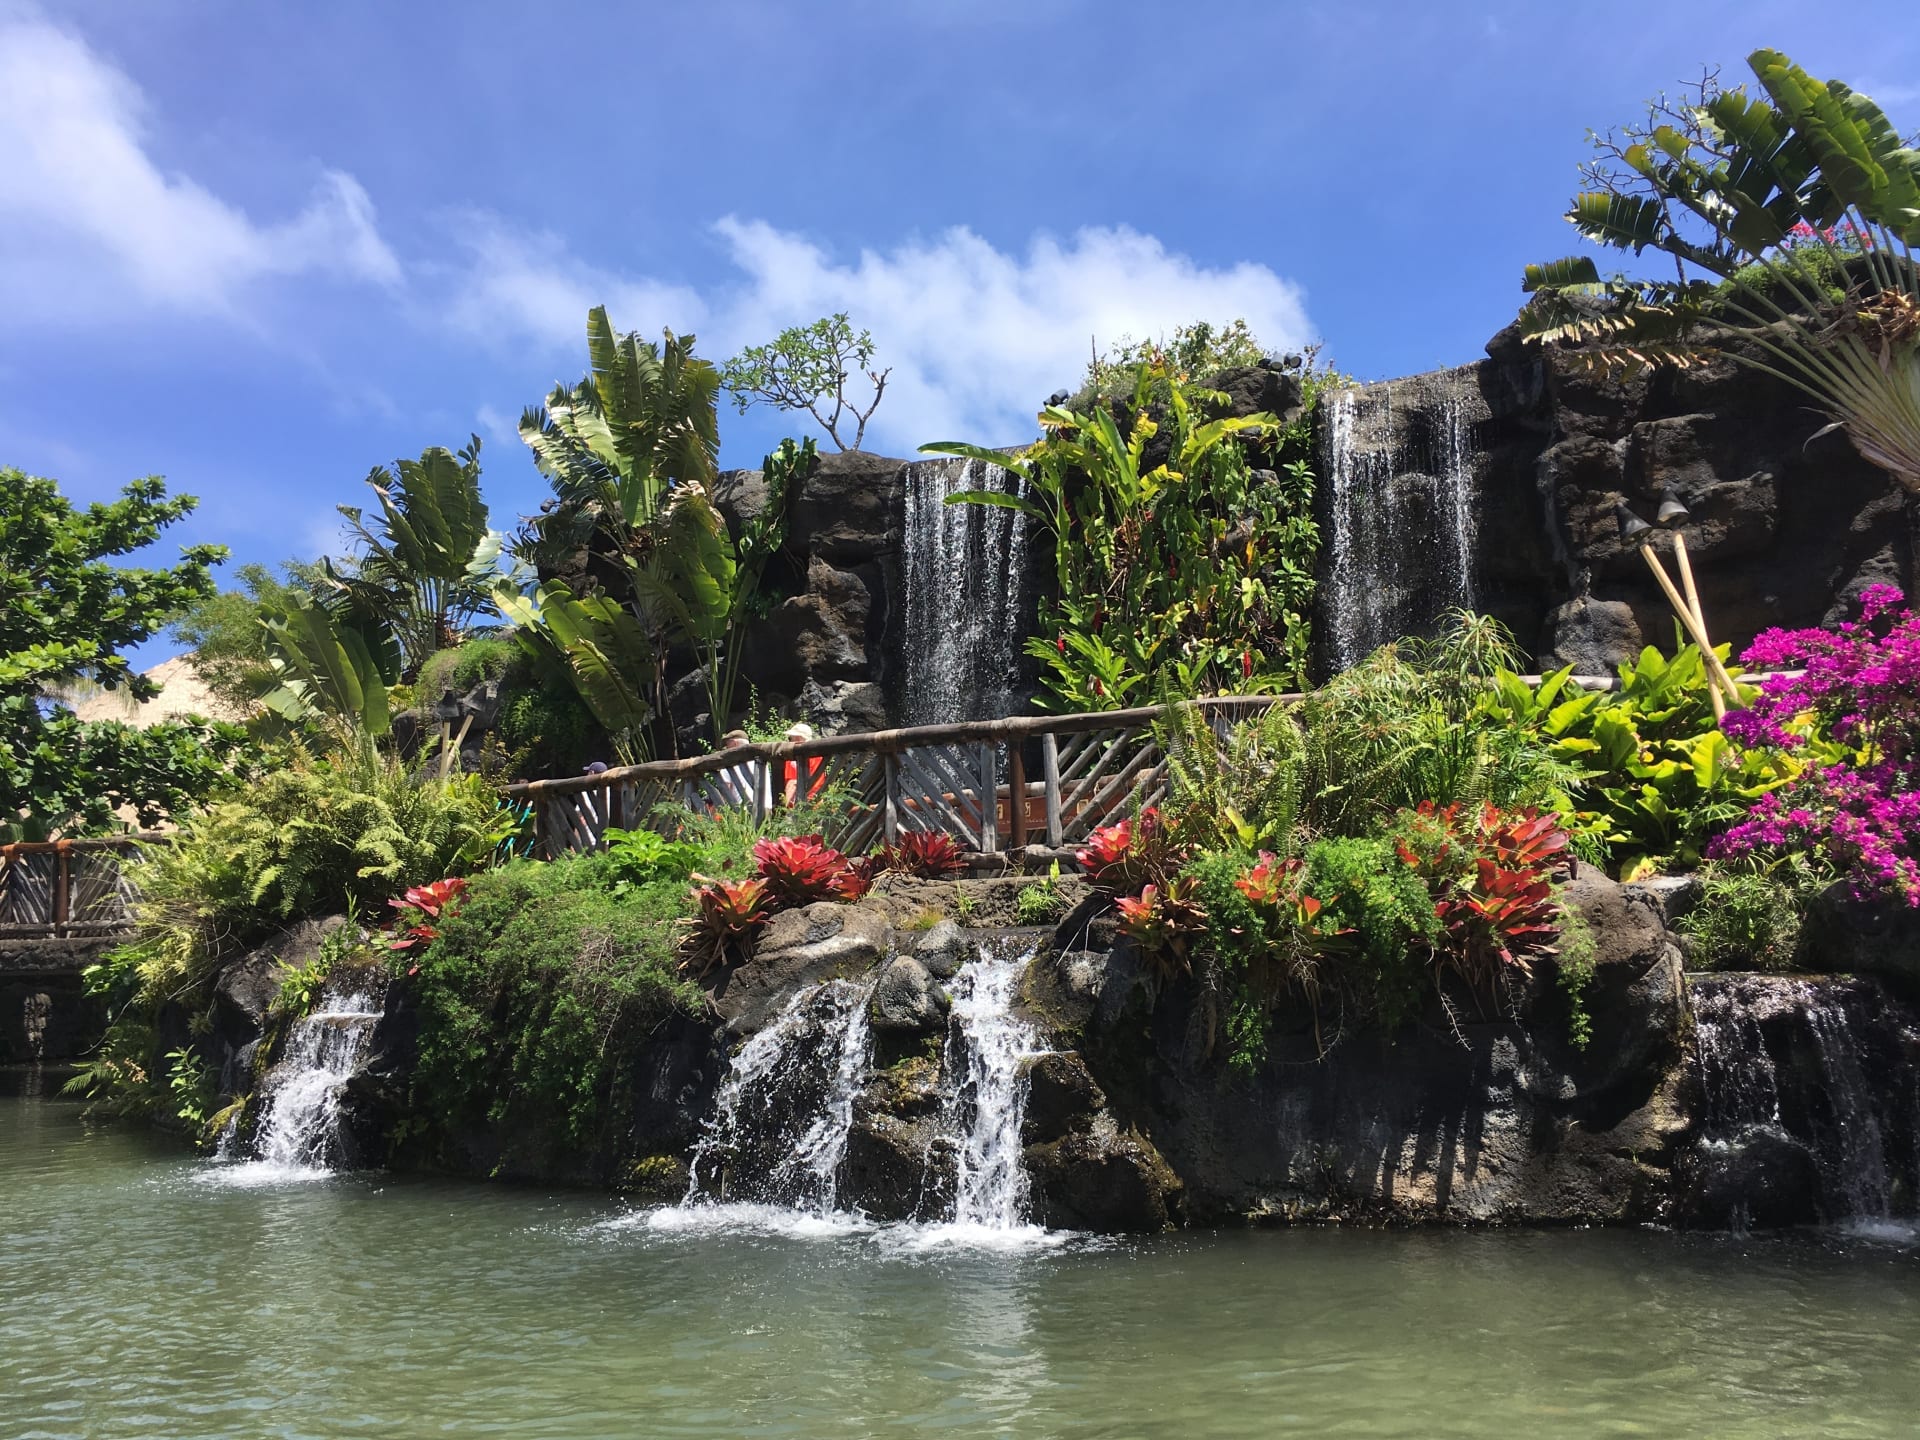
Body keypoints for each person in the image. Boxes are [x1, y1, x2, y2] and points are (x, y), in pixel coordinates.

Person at [782, 721, 823, 805]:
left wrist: (784, 808)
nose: (789, 741)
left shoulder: (792, 758)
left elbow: (792, 783)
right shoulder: (818, 757)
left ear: (798, 738)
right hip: (815, 800)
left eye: (791, 738)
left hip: (799, 802)